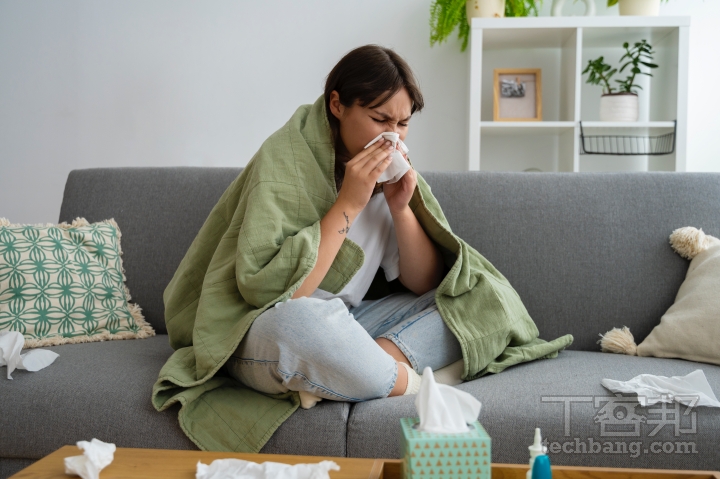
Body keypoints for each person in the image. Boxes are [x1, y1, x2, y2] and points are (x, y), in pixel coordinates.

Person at [224, 45, 463, 405]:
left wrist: (400, 209)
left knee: (462, 302)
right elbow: (280, 294)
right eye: (380, 120)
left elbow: (426, 283)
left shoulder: (390, 173)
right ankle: (413, 383)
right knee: (299, 324)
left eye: (402, 124)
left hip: (349, 326)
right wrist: (350, 201)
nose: (393, 137)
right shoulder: (285, 158)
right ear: (337, 105)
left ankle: (346, 372)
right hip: (272, 324)